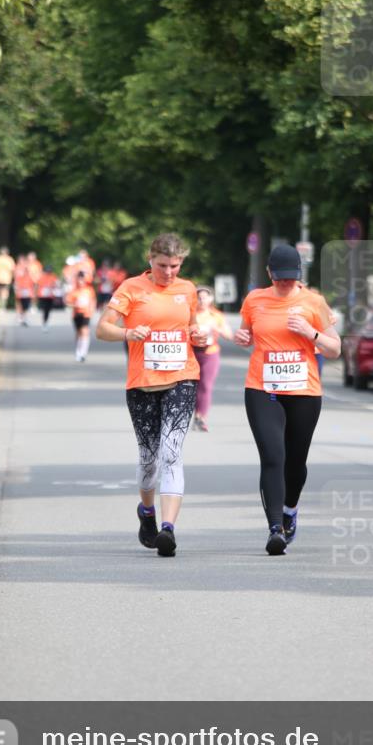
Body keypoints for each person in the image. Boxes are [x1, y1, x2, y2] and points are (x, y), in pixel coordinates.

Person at [96, 233, 207, 557]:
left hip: (182, 379)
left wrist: (197, 334)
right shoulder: (131, 288)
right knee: (149, 458)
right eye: (163, 265)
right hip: (142, 382)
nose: (169, 272)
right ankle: (147, 512)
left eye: (175, 266)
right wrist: (128, 332)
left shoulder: (187, 290)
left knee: (172, 451)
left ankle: (168, 530)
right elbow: (103, 328)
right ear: (150, 260)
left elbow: (193, 327)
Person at [234, 244, 341, 556]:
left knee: (295, 463)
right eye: (279, 278)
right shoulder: (255, 299)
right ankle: (275, 529)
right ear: (269, 273)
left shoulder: (314, 302)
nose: (284, 283)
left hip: (304, 391)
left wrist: (311, 332)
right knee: (272, 456)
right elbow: (247, 334)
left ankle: (290, 509)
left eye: (290, 278)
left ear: (299, 276)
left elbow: (335, 349)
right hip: (262, 388)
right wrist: (244, 339)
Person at [192, 284, 233, 432]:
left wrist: (218, 329)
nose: (202, 300)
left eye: (205, 297)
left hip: (210, 353)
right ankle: (193, 414)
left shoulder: (216, 316)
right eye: (198, 297)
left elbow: (229, 336)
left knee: (206, 386)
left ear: (211, 299)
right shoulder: (190, 315)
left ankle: (200, 417)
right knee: (191, 387)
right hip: (191, 353)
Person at [66, 271, 96, 360]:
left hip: (86, 313)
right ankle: (78, 351)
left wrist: (92, 310)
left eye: (82, 279)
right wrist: (75, 305)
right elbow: (68, 303)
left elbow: (93, 300)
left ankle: (83, 353)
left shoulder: (89, 290)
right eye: (79, 279)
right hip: (76, 314)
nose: (80, 281)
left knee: (85, 331)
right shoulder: (73, 291)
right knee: (79, 333)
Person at [13, 255, 35, 326]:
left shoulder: (29, 275)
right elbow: (16, 281)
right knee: (20, 304)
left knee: (26, 306)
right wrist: (16, 288)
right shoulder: (18, 272)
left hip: (27, 293)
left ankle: (23, 317)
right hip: (21, 292)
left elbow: (33, 284)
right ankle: (21, 317)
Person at [36, 265, 58, 329]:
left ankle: (45, 322)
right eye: (47, 271)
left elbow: (56, 285)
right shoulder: (41, 277)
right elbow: (37, 285)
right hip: (42, 296)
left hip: (50, 296)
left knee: (48, 310)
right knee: (44, 309)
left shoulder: (53, 277)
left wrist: (54, 289)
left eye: (49, 271)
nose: (48, 272)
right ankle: (44, 321)